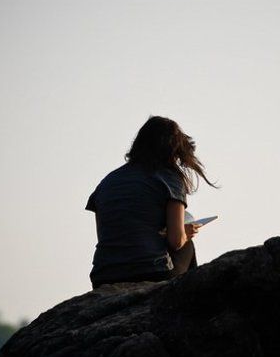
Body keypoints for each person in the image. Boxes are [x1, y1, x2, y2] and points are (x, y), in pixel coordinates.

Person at [85, 116, 216, 288]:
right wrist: (185, 233)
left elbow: (110, 236)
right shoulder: (169, 178)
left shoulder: (107, 182)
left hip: (104, 275)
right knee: (187, 246)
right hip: (151, 271)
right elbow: (176, 242)